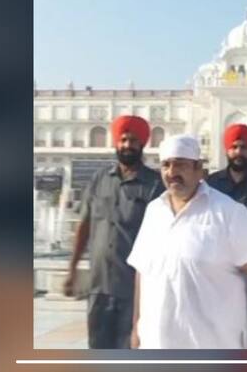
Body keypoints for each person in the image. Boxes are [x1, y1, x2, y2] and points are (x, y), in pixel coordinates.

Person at [127, 135, 247, 349]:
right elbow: (142, 272)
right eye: (166, 165)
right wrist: (136, 329)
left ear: (199, 169)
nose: (172, 172)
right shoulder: (154, 211)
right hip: (157, 344)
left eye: (181, 165)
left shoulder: (228, 213)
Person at [62, 115, 163, 349]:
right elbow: (84, 225)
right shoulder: (99, 179)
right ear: (116, 142)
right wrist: (72, 269)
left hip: (135, 289)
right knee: (98, 346)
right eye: (124, 139)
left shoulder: (155, 184)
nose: (128, 145)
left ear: (143, 144)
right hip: (99, 287)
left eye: (134, 140)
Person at [207, 123, 247, 205]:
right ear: (227, 151)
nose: (238, 152)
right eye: (234, 147)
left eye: (244, 147)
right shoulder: (211, 183)